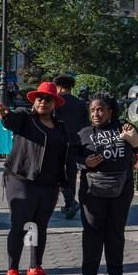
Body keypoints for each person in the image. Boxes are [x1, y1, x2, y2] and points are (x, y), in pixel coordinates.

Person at [0, 81, 70, 275]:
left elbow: (65, 154)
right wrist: (5, 115)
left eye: (48, 99)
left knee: (39, 227)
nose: (43, 102)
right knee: (20, 226)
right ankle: (12, 271)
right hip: (21, 180)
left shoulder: (60, 125)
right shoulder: (24, 117)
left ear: (55, 103)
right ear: (34, 101)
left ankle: (34, 270)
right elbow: (10, 121)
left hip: (49, 185)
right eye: (40, 98)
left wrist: (65, 184)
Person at [76, 93, 138, 275]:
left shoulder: (123, 127)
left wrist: (133, 137)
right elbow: (72, 156)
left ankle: (115, 273)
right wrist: (85, 162)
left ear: (110, 112)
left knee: (115, 232)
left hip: (122, 190)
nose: (96, 114)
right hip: (92, 192)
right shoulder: (84, 133)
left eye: (100, 109)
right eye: (92, 110)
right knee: (92, 232)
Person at [54, 74, 89, 220]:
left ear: (59, 87)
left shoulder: (57, 102)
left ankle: (70, 201)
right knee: (72, 173)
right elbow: (85, 124)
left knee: (57, 173)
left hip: (59, 142)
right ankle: (70, 203)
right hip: (76, 143)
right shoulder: (80, 103)